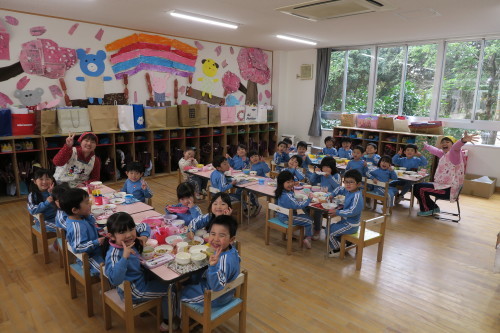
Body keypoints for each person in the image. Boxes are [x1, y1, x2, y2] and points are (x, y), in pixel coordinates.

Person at [103, 212, 177, 332]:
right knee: (171, 289)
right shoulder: (115, 254)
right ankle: (168, 322)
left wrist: (144, 236)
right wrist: (124, 258)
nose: (129, 235)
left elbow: (144, 226)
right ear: (111, 236)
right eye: (122, 232)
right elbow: (114, 280)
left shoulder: (126, 241)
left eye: (131, 229)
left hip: (140, 280)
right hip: (134, 291)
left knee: (162, 275)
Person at [181, 215, 241, 311]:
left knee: (181, 293)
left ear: (231, 240)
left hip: (216, 297)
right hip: (223, 291)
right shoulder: (231, 250)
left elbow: (217, 287)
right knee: (191, 280)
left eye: (221, 235)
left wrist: (213, 267)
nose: (215, 239)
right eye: (212, 234)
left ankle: (181, 322)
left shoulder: (225, 260)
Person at [413, 132, 478, 216]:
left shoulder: (455, 155)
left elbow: (455, 148)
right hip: (443, 186)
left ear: (453, 144)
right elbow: (436, 151)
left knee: (419, 188)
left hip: (448, 190)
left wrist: (462, 141)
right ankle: (433, 207)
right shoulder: (445, 154)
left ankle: (427, 209)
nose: (444, 144)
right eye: (443, 142)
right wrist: (427, 146)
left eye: (447, 142)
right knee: (418, 186)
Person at [61, 188, 104, 275]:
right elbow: (77, 247)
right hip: (88, 258)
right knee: (106, 270)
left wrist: (88, 216)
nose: (90, 204)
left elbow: (92, 227)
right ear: (75, 210)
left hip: (97, 251)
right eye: (87, 202)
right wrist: (96, 242)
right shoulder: (76, 227)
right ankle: (107, 288)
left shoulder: (81, 217)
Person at [328, 170, 364, 257]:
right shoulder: (349, 190)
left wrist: (337, 212)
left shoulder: (357, 196)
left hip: (351, 225)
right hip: (346, 222)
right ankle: (347, 243)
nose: (348, 184)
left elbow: (352, 211)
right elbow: (340, 188)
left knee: (330, 231)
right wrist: (332, 194)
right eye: (346, 182)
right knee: (330, 227)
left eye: (351, 182)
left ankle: (338, 250)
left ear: (358, 184)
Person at [275, 171, 314, 249]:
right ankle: (308, 238)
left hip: (283, 214)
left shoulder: (283, 191)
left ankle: (303, 235)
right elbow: (297, 205)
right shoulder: (286, 196)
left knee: (306, 215)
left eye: (292, 181)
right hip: (286, 217)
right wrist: (308, 199)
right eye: (288, 182)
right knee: (309, 221)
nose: (290, 184)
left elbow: (293, 202)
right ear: (281, 183)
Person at [27, 169, 58, 250]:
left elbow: (63, 205)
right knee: (63, 229)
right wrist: (46, 202)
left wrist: (53, 194)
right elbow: (32, 210)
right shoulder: (32, 195)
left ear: (52, 180)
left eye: (47, 179)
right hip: (42, 221)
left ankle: (64, 248)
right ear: (34, 181)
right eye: (41, 179)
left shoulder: (55, 191)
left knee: (73, 226)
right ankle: (56, 246)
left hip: (57, 218)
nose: (44, 182)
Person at [248, 150, 270, 216]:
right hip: (254, 182)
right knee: (247, 190)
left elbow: (267, 170)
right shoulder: (250, 165)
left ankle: (257, 205)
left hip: (262, 183)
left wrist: (263, 163)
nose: (254, 158)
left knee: (251, 192)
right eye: (252, 157)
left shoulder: (261, 164)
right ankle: (254, 204)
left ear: (259, 157)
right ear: (250, 159)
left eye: (256, 156)